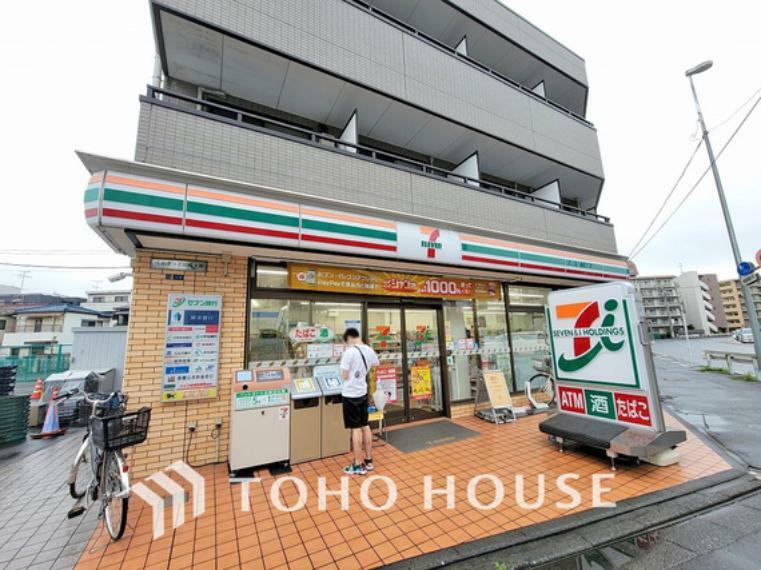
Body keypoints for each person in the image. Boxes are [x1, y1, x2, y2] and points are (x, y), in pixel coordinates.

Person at [339, 327, 379, 475]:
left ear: (349, 338)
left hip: (350, 394)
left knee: (355, 428)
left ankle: (357, 464)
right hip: (363, 392)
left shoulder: (349, 352)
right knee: (365, 425)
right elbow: (376, 364)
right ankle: (368, 461)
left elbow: (344, 375)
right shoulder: (369, 350)